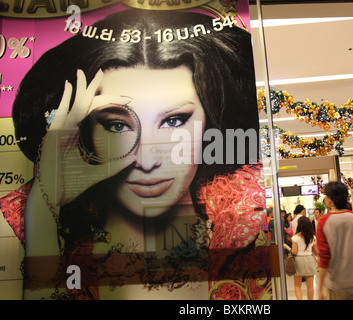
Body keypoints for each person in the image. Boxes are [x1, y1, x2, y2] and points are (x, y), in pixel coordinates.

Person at [0, 9, 268, 300]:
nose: (147, 160)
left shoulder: (250, 213)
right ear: (83, 130)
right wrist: (42, 208)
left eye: (175, 121)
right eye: (117, 125)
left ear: (210, 121)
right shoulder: (20, 220)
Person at [316, 181, 353, 300]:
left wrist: (320, 288)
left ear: (330, 200)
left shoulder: (323, 222)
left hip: (337, 286)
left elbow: (325, 257)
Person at [286, 216, 317, 300]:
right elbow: (316, 251)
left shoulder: (295, 237)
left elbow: (294, 252)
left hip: (298, 260)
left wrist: (287, 247)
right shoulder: (313, 237)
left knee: (297, 285)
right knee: (310, 285)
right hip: (310, 259)